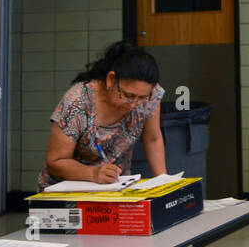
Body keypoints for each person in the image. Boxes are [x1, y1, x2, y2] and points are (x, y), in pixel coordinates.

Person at [37, 41, 165, 191]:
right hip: (67, 192)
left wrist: (163, 184)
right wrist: (92, 173)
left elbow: (152, 139)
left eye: (142, 98)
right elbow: (56, 161)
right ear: (111, 79)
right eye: (127, 95)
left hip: (115, 189)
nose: (134, 104)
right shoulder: (78, 102)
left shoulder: (151, 95)